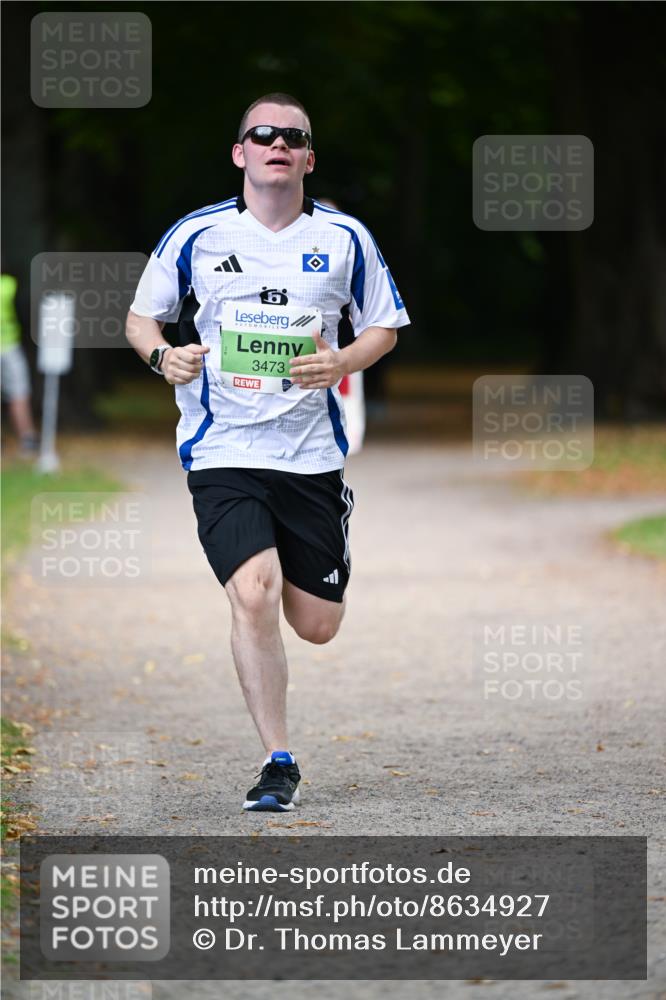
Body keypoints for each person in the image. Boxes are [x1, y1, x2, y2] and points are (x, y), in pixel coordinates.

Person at [126, 93, 410, 812]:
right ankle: (276, 760)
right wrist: (164, 357)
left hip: (310, 456)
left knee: (316, 625)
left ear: (308, 157)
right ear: (240, 152)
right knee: (251, 593)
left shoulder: (345, 238)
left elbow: (385, 327)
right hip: (222, 448)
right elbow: (140, 319)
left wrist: (341, 358)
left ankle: (305, 551)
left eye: (292, 136)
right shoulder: (197, 234)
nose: (276, 143)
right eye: (262, 133)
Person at [1, 274, 39, 456]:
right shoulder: (10, 284)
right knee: (19, 394)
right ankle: (27, 438)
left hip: (10, 346)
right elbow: (24, 315)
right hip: (9, 346)